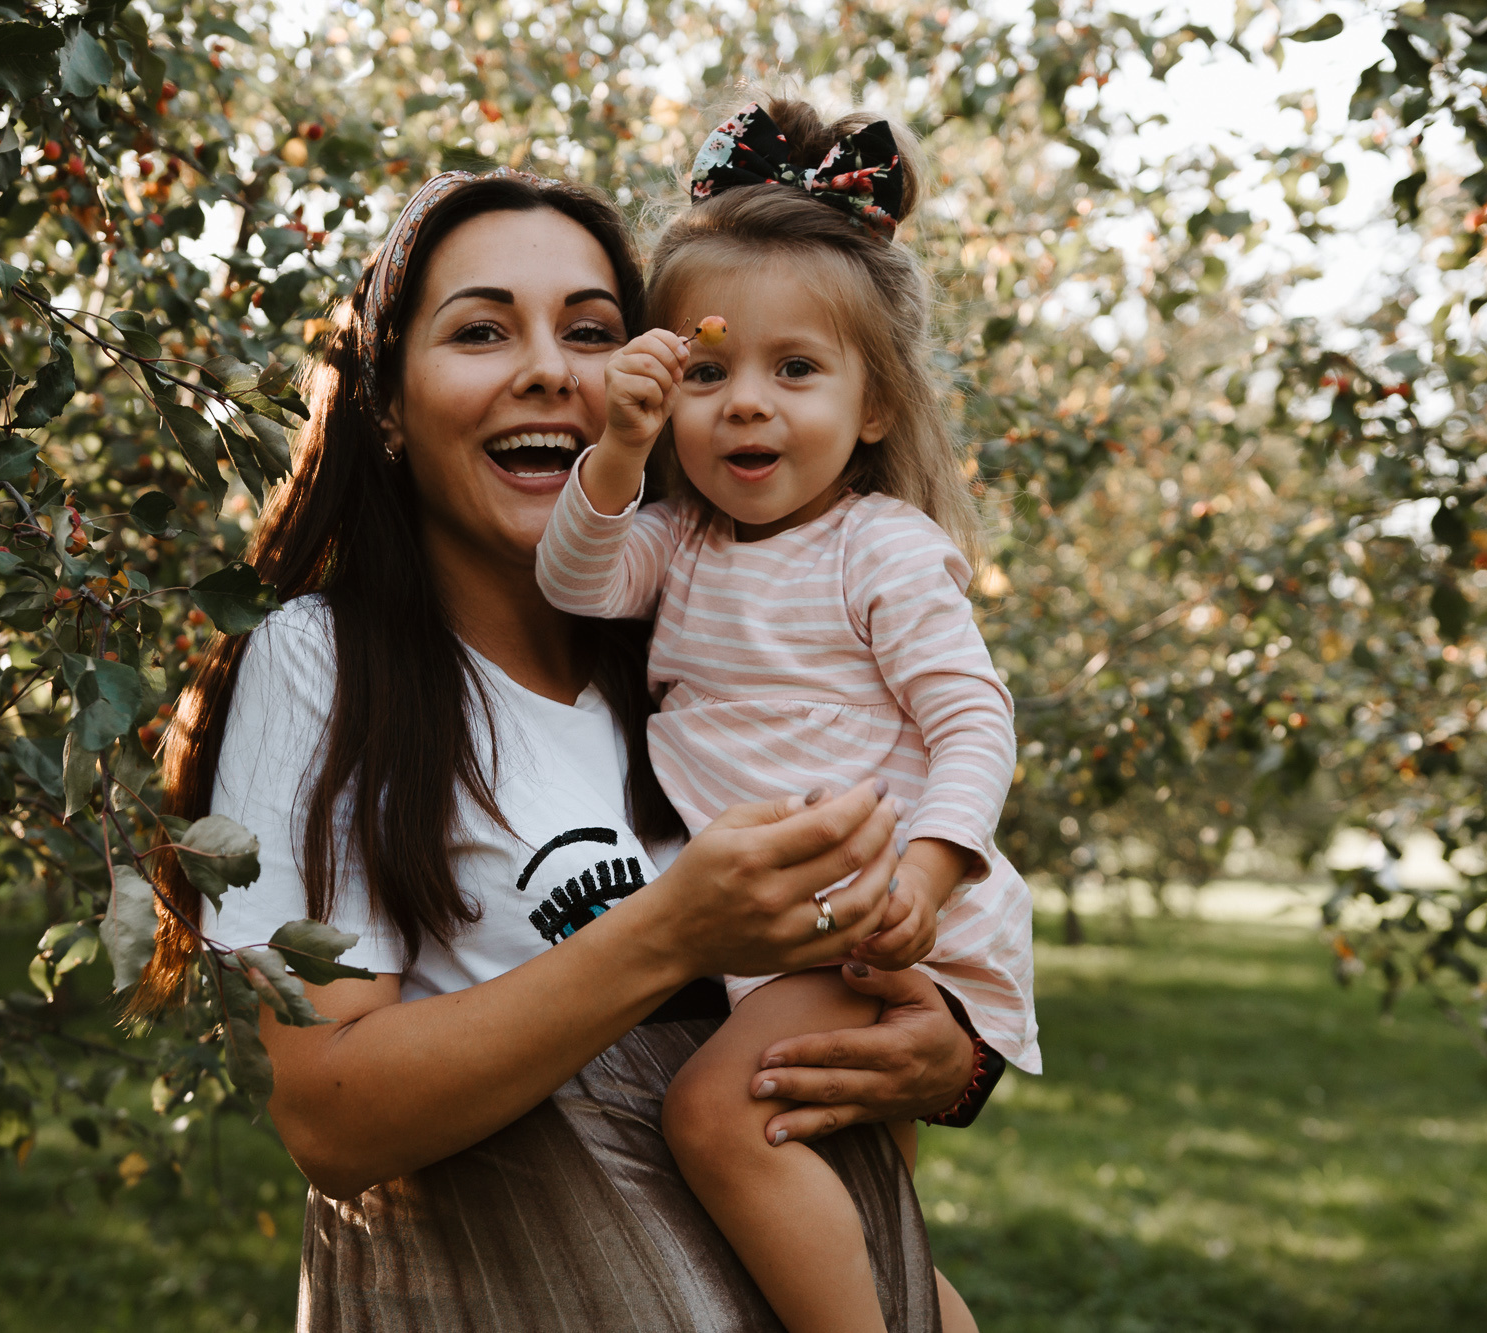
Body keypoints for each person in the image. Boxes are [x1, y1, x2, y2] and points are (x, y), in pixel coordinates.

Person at [141, 167, 1005, 1332]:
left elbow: (837, 1017)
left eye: (592, 332)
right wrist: (670, 932)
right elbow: (327, 1117)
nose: (549, 369)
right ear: (386, 404)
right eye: (481, 330)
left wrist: (949, 1062)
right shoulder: (326, 663)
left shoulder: (704, 636)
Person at [536, 101, 1041, 1333]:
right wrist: (618, 447)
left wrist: (925, 873)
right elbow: (573, 579)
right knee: (865, 1214)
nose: (745, 404)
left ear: (873, 406)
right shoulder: (675, 539)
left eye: (795, 369)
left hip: (879, 920)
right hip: (786, 928)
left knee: (717, 1118)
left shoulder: (878, 549)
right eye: (707, 371)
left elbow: (973, 724)